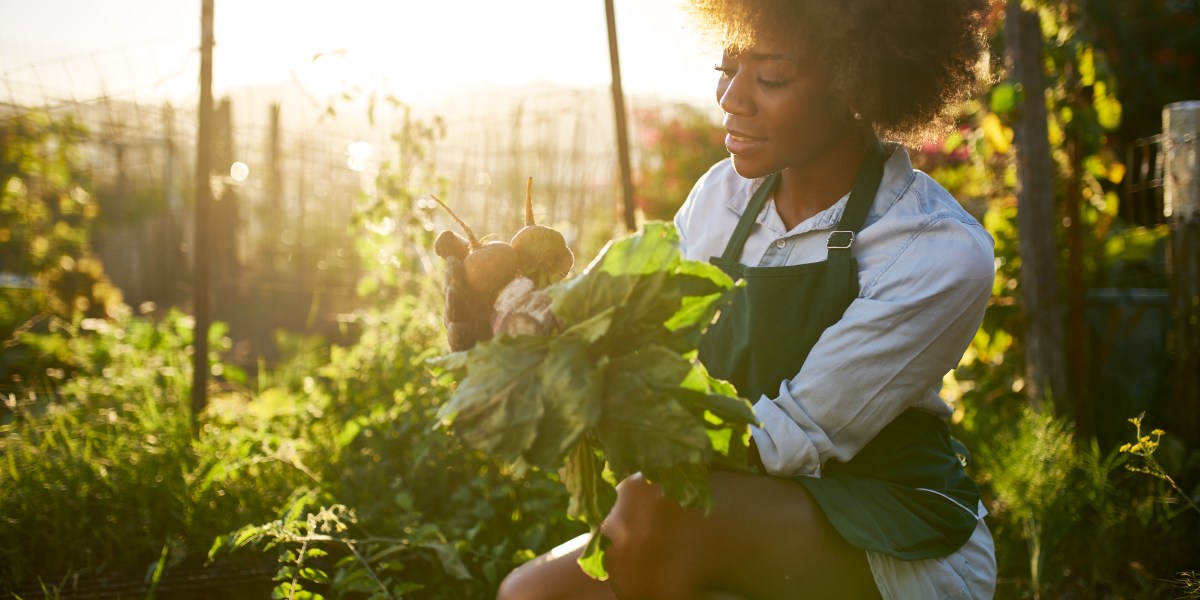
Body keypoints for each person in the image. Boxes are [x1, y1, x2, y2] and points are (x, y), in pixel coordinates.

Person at [491, 0, 996, 598]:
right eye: (726, 69)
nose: (731, 99)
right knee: (532, 593)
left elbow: (788, 438)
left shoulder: (934, 247)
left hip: (888, 525)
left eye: (771, 77)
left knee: (649, 511)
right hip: (731, 498)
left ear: (858, 82)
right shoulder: (722, 196)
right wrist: (524, 322)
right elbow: (629, 322)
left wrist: (604, 403)